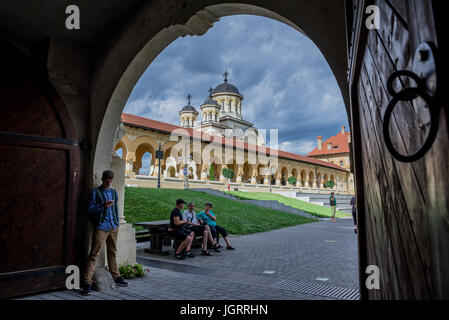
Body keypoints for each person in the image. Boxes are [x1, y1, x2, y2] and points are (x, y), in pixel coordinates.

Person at [81, 170, 128, 296]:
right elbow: (90, 210)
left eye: (110, 181)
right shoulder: (95, 192)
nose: (108, 183)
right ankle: (87, 283)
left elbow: (116, 208)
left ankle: (117, 276)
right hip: (101, 227)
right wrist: (103, 205)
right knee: (93, 254)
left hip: (113, 227)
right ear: (102, 179)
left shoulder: (113, 192)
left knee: (112, 253)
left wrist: (117, 222)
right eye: (106, 181)